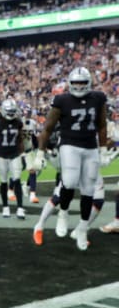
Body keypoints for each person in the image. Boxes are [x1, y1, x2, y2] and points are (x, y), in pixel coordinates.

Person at [31, 66, 110, 250]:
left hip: (90, 147)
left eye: (83, 82)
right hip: (70, 147)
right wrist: (40, 154)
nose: (80, 86)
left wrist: (104, 150)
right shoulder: (62, 100)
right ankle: (55, 218)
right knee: (68, 183)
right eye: (76, 83)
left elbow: (102, 125)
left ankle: (82, 228)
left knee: (91, 193)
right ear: (70, 83)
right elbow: (48, 128)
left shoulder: (98, 98)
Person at [0, 98, 26, 219]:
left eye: (13, 110)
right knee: (3, 181)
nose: (11, 113)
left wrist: (23, 155)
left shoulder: (18, 122)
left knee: (17, 179)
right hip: (1, 156)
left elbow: (21, 140)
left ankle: (19, 208)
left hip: (14, 154)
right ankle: (5, 207)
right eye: (9, 111)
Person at [20, 117, 40, 204]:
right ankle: (10, 189)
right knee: (18, 171)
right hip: (19, 153)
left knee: (33, 171)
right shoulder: (18, 130)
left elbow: (33, 139)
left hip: (28, 152)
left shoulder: (31, 132)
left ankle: (32, 194)